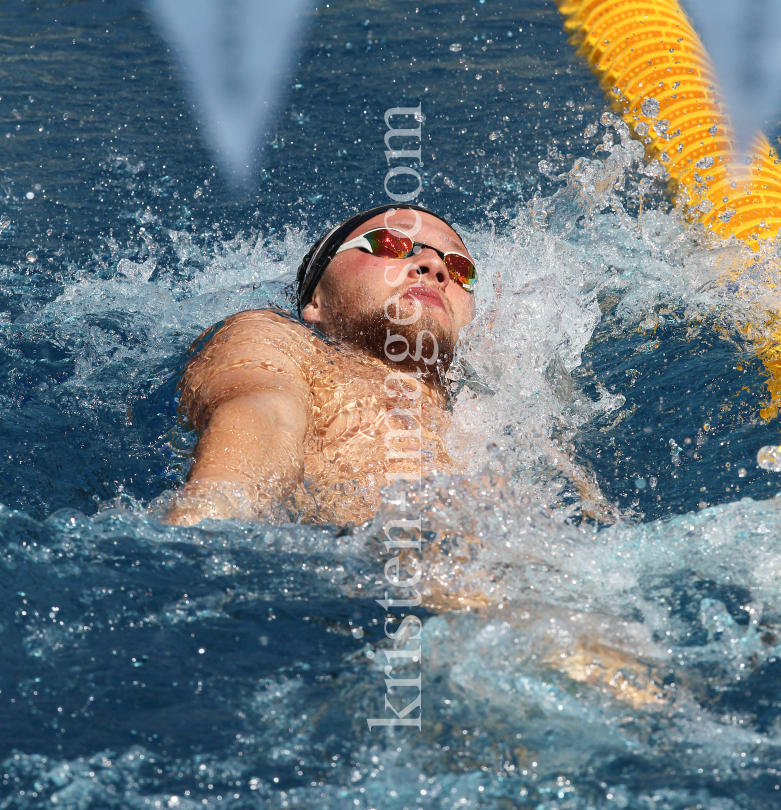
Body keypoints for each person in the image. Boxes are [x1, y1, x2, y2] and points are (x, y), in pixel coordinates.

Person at [165, 204, 477, 526]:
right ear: (316, 300)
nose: (434, 264)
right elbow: (265, 409)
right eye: (391, 243)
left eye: (459, 269)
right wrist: (211, 511)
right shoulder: (280, 339)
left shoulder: (487, 412)